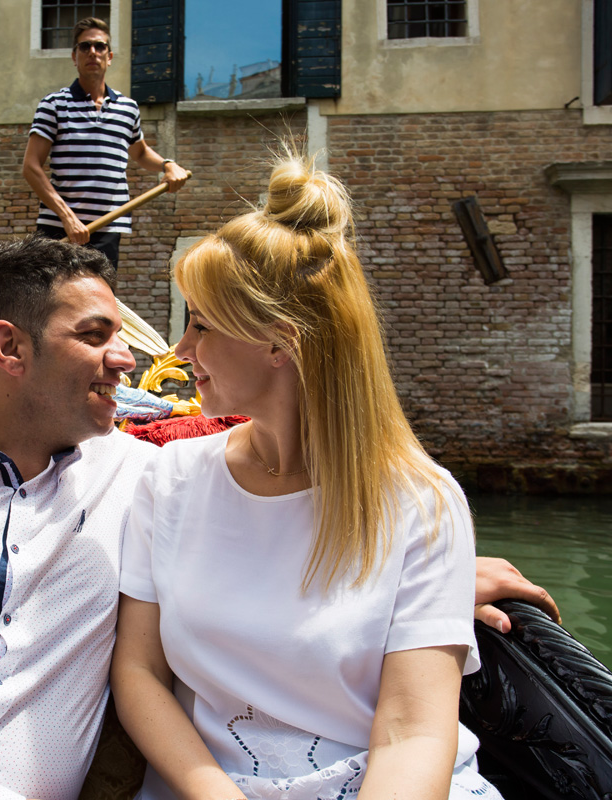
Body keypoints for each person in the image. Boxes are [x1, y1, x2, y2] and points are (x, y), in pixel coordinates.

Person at [0, 236, 556, 799]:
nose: (137, 358)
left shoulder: (145, 479)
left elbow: (298, 520)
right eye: (98, 335)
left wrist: (434, 583)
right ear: (11, 351)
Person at [111, 156, 504, 799]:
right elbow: (139, 673)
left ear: (279, 342)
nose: (180, 350)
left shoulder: (425, 504)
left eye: (201, 324)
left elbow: (414, 733)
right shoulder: (171, 480)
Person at [23, 17, 188, 268]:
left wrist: (168, 165)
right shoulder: (54, 105)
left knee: (98, 303)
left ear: (109, 56)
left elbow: (141, 153)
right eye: (84, 46)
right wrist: (68, 218)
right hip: (59, 229)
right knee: (52, 304)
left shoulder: (127, 108)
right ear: (74, 56)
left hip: (108, 224)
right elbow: (31, 167)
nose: (92, 52)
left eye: (99, 47)